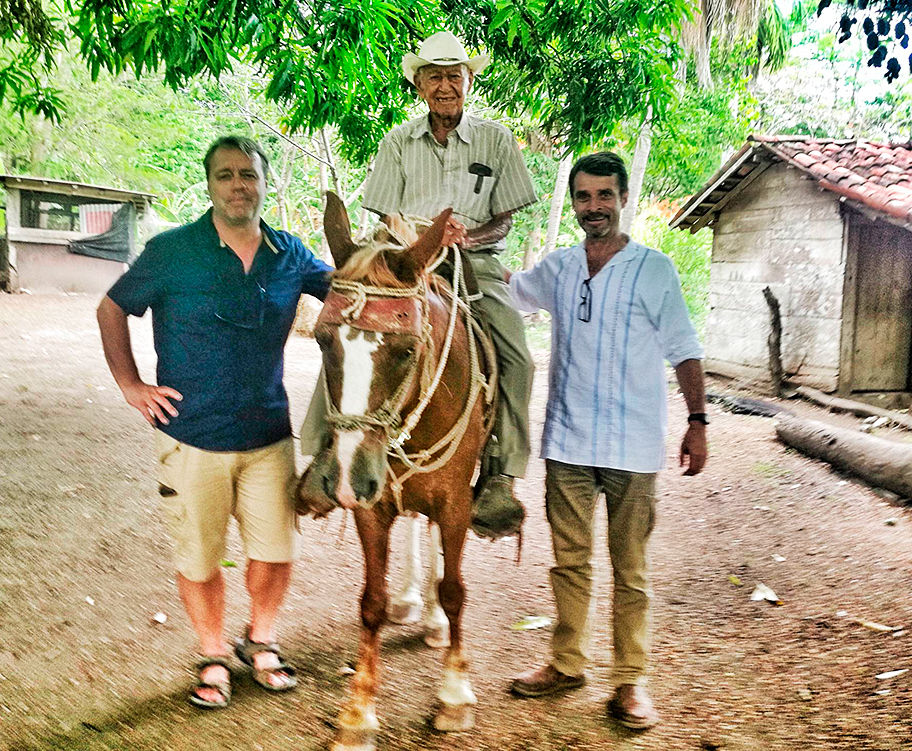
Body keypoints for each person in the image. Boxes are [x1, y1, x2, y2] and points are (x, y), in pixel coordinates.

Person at [96, 136, 332, 708]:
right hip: (190, 434)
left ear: (264, 182)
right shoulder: (172, 249)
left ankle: (262, 640)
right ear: (209, 184)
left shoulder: (290, 253)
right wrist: (131, 385)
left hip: (269, 434)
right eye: (225, 174)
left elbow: (349, 293)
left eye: (248, 174)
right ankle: (212, 653)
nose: (237, 185)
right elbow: (111, 307)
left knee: (276, 551)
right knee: (199, 557)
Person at [299, 30, 537, 538]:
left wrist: (469, 237)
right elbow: (385, 213)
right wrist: (410, 241)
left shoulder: (496, 140)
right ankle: (323, 453)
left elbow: (505, 221)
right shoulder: (397, 142)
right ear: (420, 84)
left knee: (519, 356)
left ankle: (500, 473)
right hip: (403, 259)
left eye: (455, 75)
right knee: (347, 330)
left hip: (473, 261)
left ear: (468, 80)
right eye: (435, 76)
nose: (445, 85)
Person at [506, 152, 707, 730]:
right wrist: (462, 252)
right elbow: (514, 292)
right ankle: (567, 664)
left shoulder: (654, 269)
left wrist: (698, 421)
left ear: (622, 199)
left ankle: (631, 681)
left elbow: (684, 348)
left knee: (631, 569)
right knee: (569, 562)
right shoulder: (561, 267)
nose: (594, 207)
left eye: (604, 195)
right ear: (573, 203)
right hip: (567, 442)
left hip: (632, 446)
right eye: (584, 197)